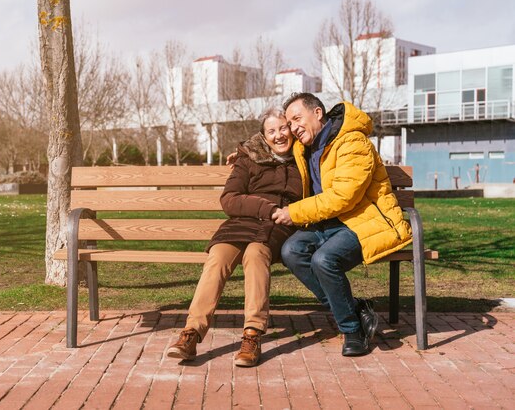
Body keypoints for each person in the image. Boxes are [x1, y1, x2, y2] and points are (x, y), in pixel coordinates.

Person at [271, 92, 412, 356]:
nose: (292, 128)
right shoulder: (304, 146)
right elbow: (270, 141)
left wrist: (295, 212)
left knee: (323, 260)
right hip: (327, 223)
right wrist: (242, 152)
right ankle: (355, 308)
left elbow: (343, 197)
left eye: (296, 119)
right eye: (289, 123)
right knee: (291, 251)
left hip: (363, 221)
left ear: (317, 113)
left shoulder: (353, 142)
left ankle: (351, 330)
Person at [167, 108, 302, 367]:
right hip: (242, 222)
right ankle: (191, 334)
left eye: (283, 128)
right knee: (217, 256)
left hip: (277, 226)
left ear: (291, 129)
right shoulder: (248, 158)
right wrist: (267, 208)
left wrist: (281, 213)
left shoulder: (303, 158)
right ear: (263, 136)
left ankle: (252, 334)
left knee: (256, 254)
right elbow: (229, 199)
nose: (279, 135)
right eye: (271, 131)